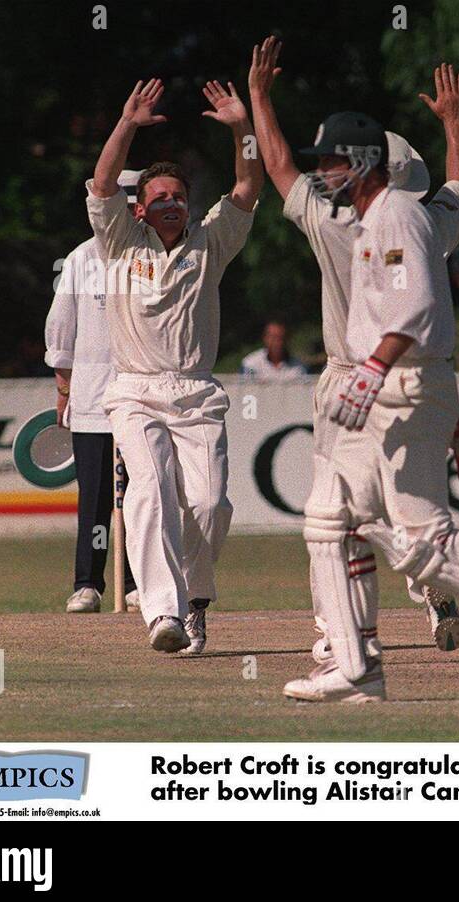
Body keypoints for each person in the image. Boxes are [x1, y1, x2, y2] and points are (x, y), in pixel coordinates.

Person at [248, 52, 459, 702]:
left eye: (332, 161)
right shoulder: (416, 216)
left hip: (391, 381)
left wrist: (384, 373)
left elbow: (416, 308)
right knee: (327, 519)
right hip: (380, 385)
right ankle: (354, 663)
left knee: (423, 548)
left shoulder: (394, 216)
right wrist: (455, 124)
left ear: (368, 164)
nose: (323, 173)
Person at [247, 36, 459, 652]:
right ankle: (432, 587)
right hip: (417, 372)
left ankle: (335, 636)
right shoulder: (429, 223)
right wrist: (454, 123)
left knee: (335, 514)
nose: (328, 175)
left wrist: (260, 96)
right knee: (410, 505)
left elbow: (276, 165)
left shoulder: (331, 223)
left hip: (354, 376)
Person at [87, 77, 263, 654]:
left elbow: (247, 183)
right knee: (152, 489)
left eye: (178, 196)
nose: (169, 203)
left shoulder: (210, 244)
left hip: (196, 393)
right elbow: (104, 181)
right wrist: (127, 123)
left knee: (210, 504)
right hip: (134, 392)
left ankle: (194, 601)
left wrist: (242, 128)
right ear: (140, 207)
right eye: (158, 197)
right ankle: (163, 614)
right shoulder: (120, 241)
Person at [45, 168, 141, 613]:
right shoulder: (81, 259)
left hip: (143, 398)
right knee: (97, 498)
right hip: (93, 401)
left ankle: (142, 584)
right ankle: (89, 584)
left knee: (146, 495)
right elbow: (61, 331)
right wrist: (64, 388)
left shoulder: (153, 255)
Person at [240, 320, 307, 381]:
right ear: (265, 338)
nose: (276, 342)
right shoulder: (251, 364)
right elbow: (246, 391)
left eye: (281, 337)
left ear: (287, 339)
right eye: (273, 337)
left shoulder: (299, 367)